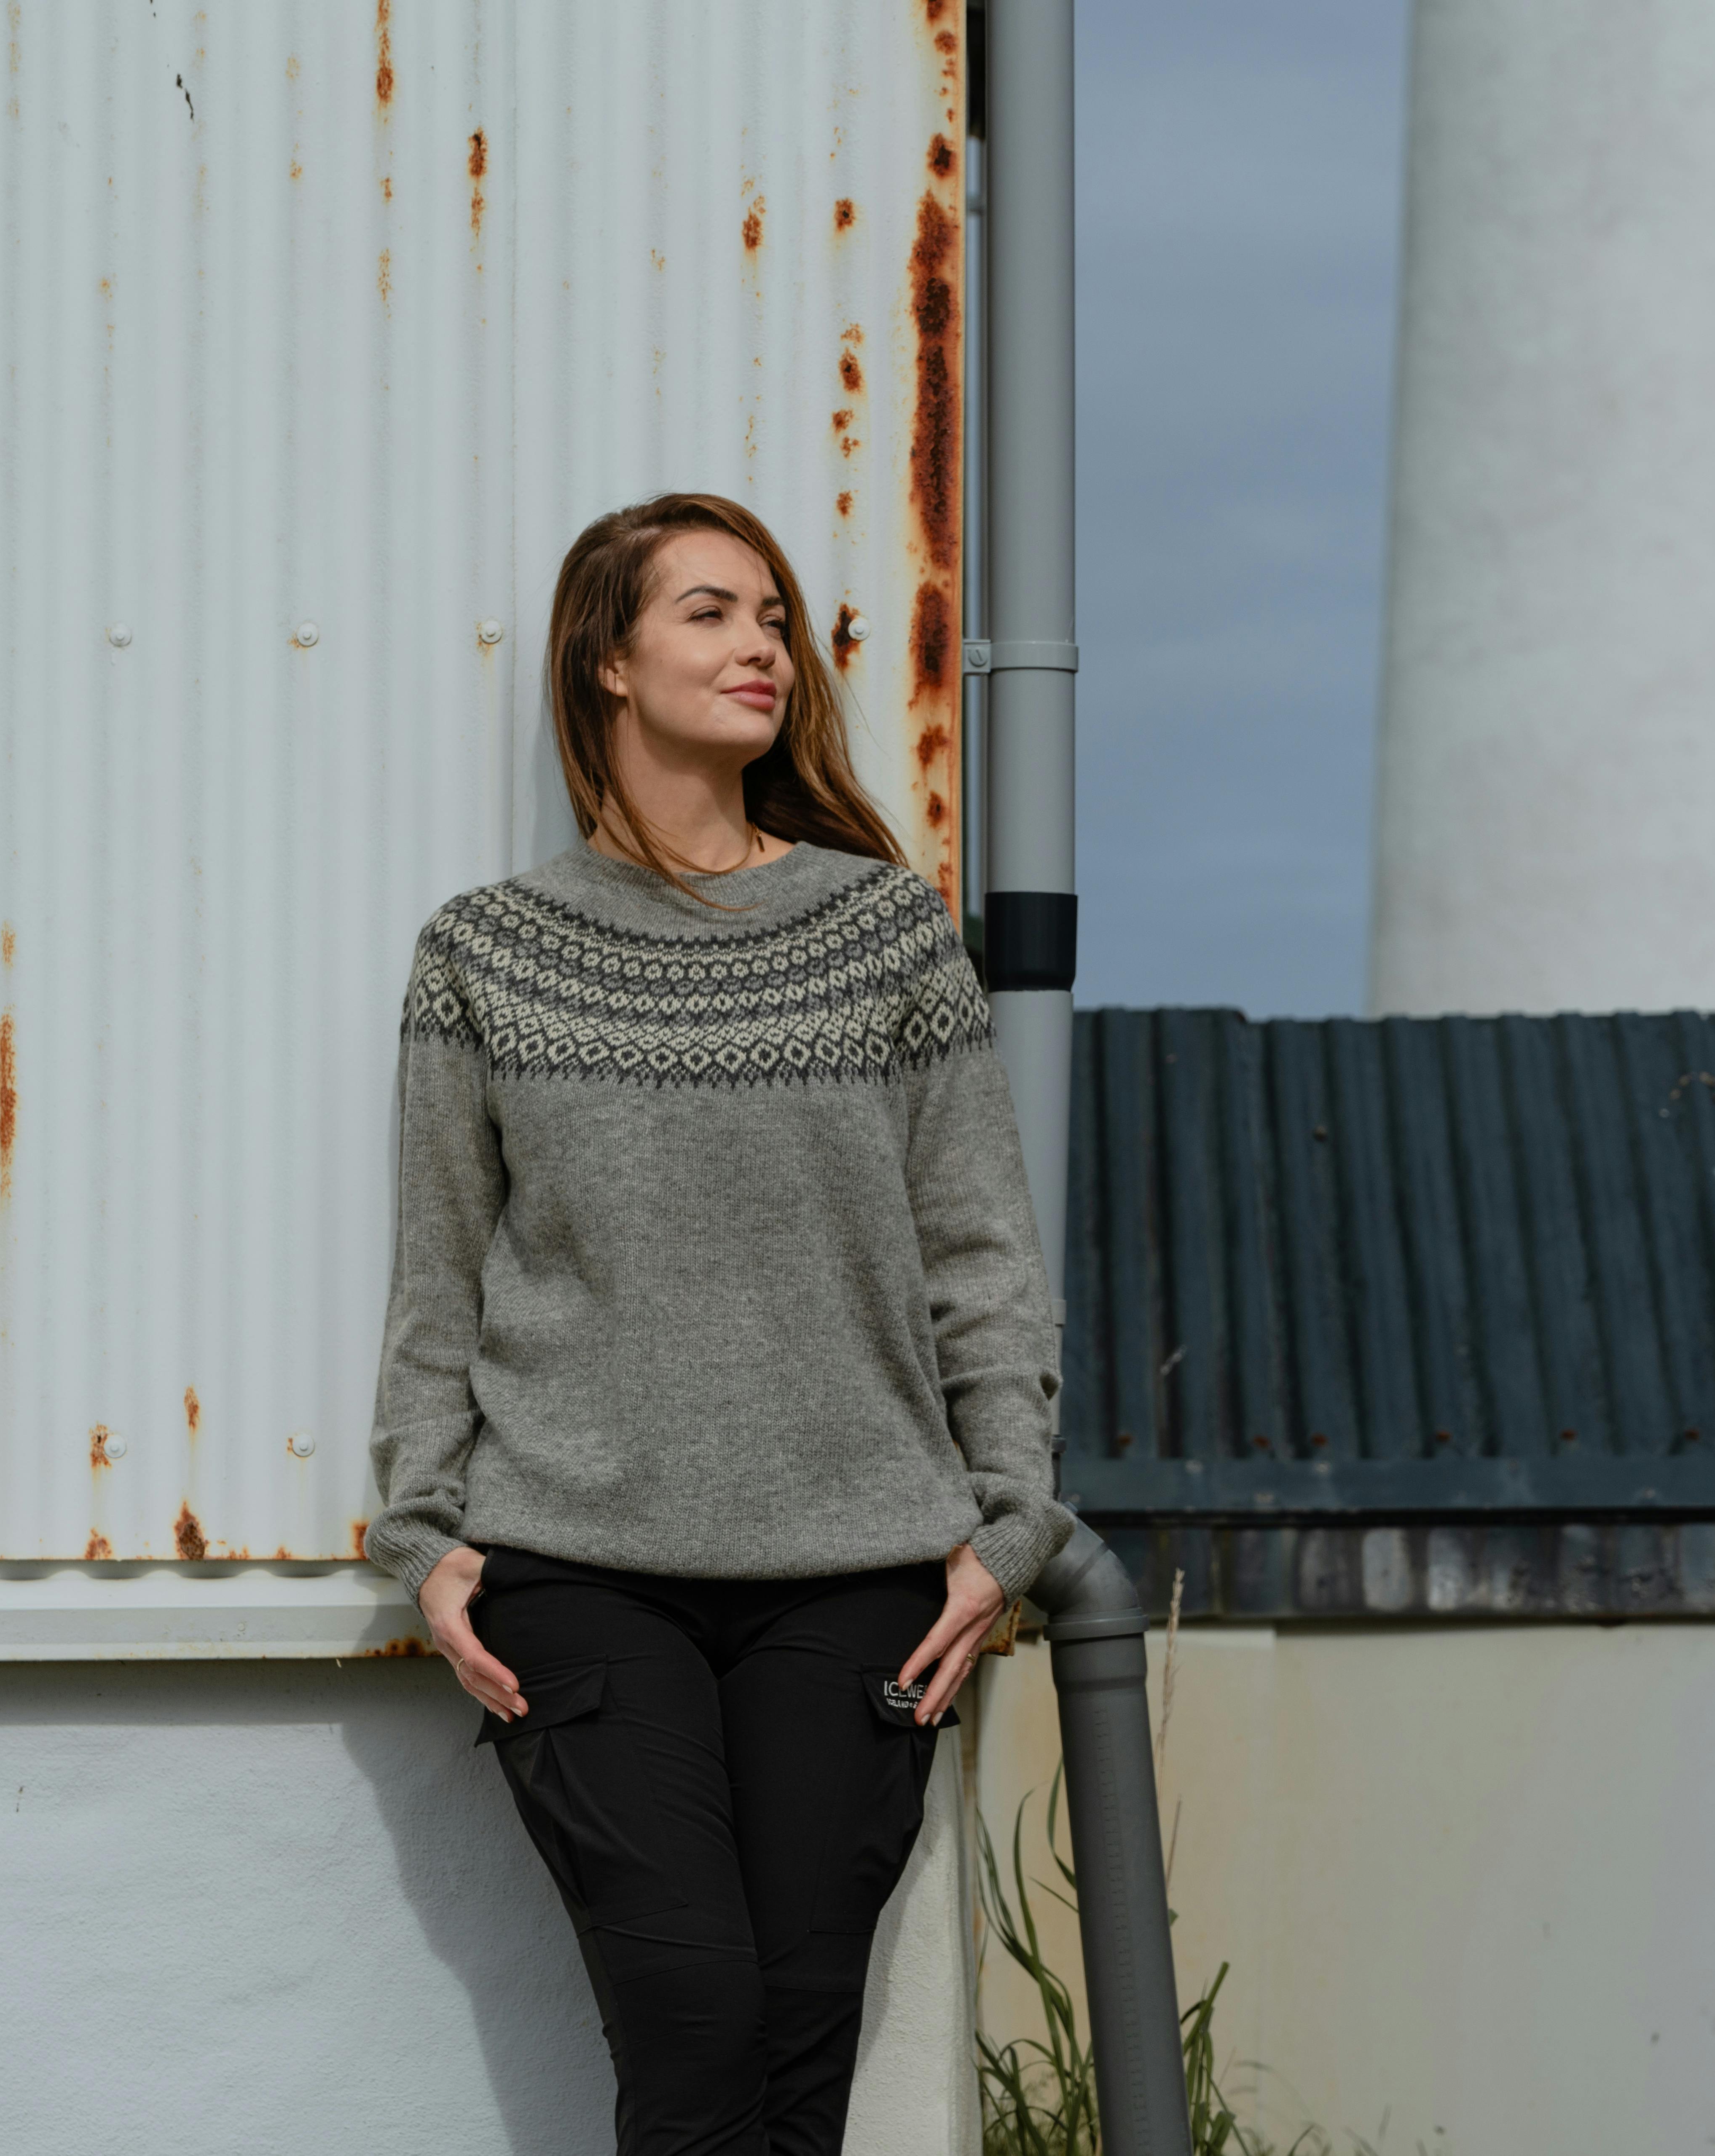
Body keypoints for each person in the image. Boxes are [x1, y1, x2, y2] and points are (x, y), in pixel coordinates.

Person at [365, 491, 1070, 2154]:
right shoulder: (487, 955)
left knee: (798, 2033)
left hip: (858, 1573)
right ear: (604, 661)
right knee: (694, 2013)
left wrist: (1009, 1519)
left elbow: (980, 1248)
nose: (761, 646)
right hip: (578, 1562)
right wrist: (422, 1532)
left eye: (773, 618)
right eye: (708, 612)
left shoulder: (885, 933)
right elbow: (442, 1269)